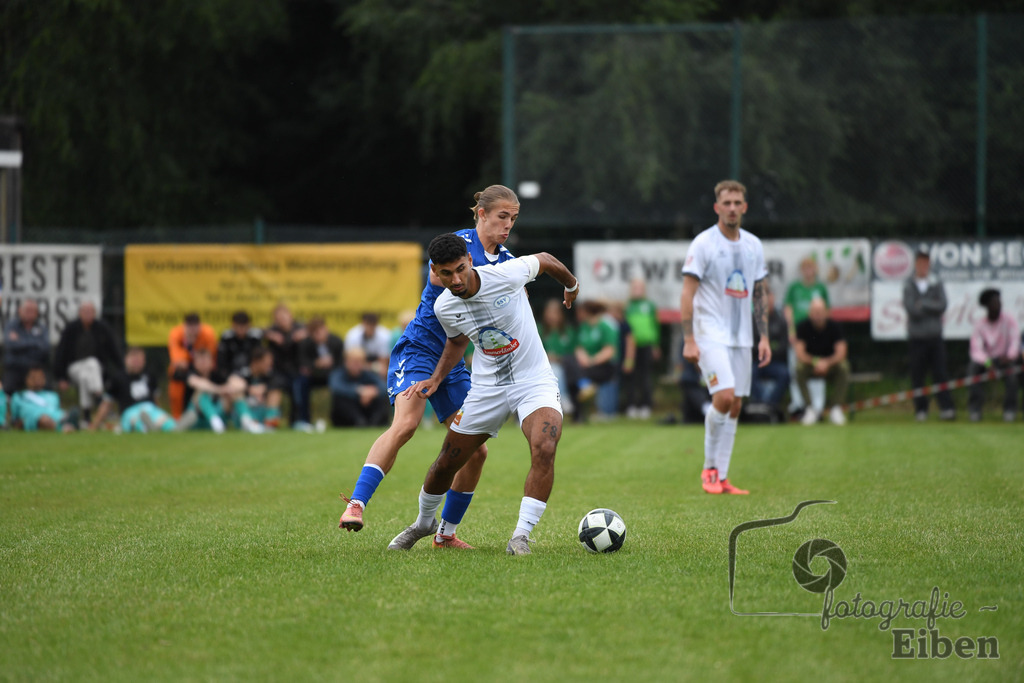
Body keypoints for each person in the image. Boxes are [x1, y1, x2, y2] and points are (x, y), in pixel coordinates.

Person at [339, 184, 518, 546]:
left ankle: (445, 535)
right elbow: (447, 282)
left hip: (452, 362)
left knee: (476, 451)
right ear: (481, 214)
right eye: (502, 216)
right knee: (406, 424)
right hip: (419, 352)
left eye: (513, 218)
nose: (508, 225)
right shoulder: (453, 249)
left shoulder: (508, 261)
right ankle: (356, 504)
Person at [392, 232, 579, 555]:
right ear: (434, 272)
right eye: (446, 273)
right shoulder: (444, 306)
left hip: (533, 380)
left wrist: (571, 286)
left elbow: (547, 259)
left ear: (469, 260)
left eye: (461, 268)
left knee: (545, 446)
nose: (456, 279)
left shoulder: (506, 274)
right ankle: (425, 523)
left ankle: (521, 536)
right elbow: (456, 342)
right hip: (486, 389)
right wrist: (437, 378)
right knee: (445, 463)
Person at [680, 179, 770, 495]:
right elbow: (687, 294)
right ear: (718, 207)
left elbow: (759, 293)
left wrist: (764, 338)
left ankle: (723, 476)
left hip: (742, 337)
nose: (732, 208)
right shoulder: (703, 244)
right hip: (709, 334)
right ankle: (708, 469)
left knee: (735, 406)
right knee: (724, 397)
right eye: (726, 203)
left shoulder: (753, 246)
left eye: (737, 203)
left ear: (744, 207)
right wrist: (689, 339)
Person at [903, 247, 956, 422]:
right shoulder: (908, 284)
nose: (923, 265)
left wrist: (922, 304)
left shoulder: (936, 283)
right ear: (916, 264)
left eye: (926, 262)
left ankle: (946, 408)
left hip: (935, 337)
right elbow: (912, 309)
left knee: (940, 373)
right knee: (917, 375)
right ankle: (921, 410)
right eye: (920, 262)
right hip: (917, 338)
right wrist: (929, 305)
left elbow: (942, 305)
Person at [54, 300, 123, 429]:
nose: (88, 314)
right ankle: (100, 398)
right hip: (74, 368)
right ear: (79, 313)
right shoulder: (71, 329)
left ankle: (86, 418)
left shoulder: (102, 328)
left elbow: (113, 350)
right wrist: (61, 377)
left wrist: (122, 370)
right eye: (85, 311)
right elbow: (60, 353)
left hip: (93, 372)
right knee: (92, 363)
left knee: (87, 374)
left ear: (95, 313)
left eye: (90, 311)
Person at [784, 256, 830, 415]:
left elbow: (826, 311)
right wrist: (791, 330)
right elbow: (788, 309)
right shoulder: (795, 288)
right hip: (798, 335)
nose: (808, 271)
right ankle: (798, 403)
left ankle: (818, 404)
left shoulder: (820, 288)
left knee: (818, 367)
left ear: (815, 269)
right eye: (805, 268)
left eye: (811, 267)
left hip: (815, 335)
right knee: (795, 369)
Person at [794, 298, 850, 426]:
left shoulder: (835, 327)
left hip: (830, 365)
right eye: (815, 311)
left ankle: (835, 408)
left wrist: (826, 363)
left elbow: (841, 352)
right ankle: (810, 409)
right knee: (798, 368)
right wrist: (816, 362)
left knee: (844, 367)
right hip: (810, 365)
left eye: (820, 311)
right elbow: (800, 353)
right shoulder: (802, 327)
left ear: (826, 312)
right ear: (810, 313)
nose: (817, 315)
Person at [968, 288, 1020, 422]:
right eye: (993, 303)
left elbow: (1015, 340)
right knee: (972, 371)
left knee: (1013, 375)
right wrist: (987, 362)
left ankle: (1010, 410)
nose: (997, 305)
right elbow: (976, 349)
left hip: (1005, 359)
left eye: (998, 302)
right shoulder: (980, 325)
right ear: (987, 307)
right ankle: (975, 410)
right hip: (987, 361)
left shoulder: (1009, 320)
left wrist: (1010, 356)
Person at [108, 346, 178, 433]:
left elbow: (156, 400)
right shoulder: (118, 378)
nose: (137, 363)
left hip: (150, 409)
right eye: (134, 359)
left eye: (139, 360)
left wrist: (158, 410)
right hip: (130, 411)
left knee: (167, 422)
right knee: (137, 421)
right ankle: (147, 428)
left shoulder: (149, 376)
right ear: (126, 359)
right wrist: (94, 426)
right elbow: (107, 403)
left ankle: (174, 428)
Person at [571, 300, 619, 421]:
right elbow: (579, 347)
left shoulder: (606, 325)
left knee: (577, 375)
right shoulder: (584, 326)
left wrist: (591, 361)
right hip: (586, 366)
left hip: (605, 365)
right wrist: (583, 358)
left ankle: (585, 385)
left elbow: (609, 350)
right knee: (571, 374)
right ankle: (578, 416)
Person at [294, 316, 343, 429]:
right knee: (301, 383)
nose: (319, 335)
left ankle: (336, 419)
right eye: (315, 333)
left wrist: (330, 364)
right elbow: (303, 362)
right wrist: (317, 363)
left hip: (331, 375)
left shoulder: (336, 341)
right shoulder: (305, 344)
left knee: (337, 384)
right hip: (314, 376)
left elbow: (341, 364)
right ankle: (304, 419)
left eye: (321, 331)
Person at [749, 286, 790, 419]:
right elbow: (750, 344)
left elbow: (784, 346)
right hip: (757, 361)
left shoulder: (781, 320)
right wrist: (763, 351)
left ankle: (769, 405)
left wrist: (769, 350)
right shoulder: (752, 320)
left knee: (785, 374)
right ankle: (760, 403)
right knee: (748, 373)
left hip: (775, 362)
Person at [167, 313, 218, 418]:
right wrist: (189, 344)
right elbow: (178, 362)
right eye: (190, 327)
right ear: (185, 326)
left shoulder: (208, 333)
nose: (193, 331)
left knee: (209, 379)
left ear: (200, 326)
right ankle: (177, 419)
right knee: (176, 385)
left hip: (203, 368)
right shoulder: (176, 333)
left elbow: (210, 357)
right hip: (186, 369)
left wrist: (201, 362)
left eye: (195, 327)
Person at [623, 278, 661, 420]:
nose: (637, 290)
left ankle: (646, 405)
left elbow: (655, 326)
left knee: (645, 376)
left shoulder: (650, 306)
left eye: (640, 288)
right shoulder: (627, 307)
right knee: (631, 376)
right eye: (635, 288)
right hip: (631, 347)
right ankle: (632, 405)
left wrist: (655, 344)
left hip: (646, 345)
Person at [263, 303, 307, 425]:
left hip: (296, 370)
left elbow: (311, 330)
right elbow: (258, 331)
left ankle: (298, 421)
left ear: (291, 316)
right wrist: (269, 335)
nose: (282, 321)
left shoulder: (300, 328)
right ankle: (271, 420)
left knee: (298, 387)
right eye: (279, 319)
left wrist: (304, 335)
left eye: (284, 317)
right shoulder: (272, 331)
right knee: (274, 386)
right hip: (279, 371)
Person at [329, 346, 390, 427]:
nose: (356, 365)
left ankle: (375, 422)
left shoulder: (368, 374)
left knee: (383, 398)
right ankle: (359, 421)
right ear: (346, 362)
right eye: (353, 362)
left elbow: (384, 386)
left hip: (367, 409)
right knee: (340, 399)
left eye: (359, 362)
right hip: (348, 415)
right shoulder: (338, 373)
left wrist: (373, 392)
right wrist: (358, 391)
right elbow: (336, 387)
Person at [3, 299, 51, 394]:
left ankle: (42, 407)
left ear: (37, 313)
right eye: (27, 310)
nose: (29, 314)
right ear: (20, 311)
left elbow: (45, 348)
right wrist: (35, 343)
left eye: (32, 311)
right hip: (16, 367)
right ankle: (11, 406)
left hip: (36, 367)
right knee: (8, 387)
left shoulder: (42, 327)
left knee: (48, 387)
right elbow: (10, 345)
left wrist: (20, 341)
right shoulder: (12, 326)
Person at [539, 298, 576, 415]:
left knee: (557, 370)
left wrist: (558, 358)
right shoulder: (539, 330)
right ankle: (563, 398)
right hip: (542, 367)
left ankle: (562, 399)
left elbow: (573, 352)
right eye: (549, 312)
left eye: (555, 312)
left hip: (565, 366)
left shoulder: (568, 331)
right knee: (554, 370)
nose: (552, 316)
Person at [10, 365, 76, 432]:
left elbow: (57, 411)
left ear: (44, 379)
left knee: (72, 412)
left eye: (40, 377)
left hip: (58, 418)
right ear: (27, 379)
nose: (37, 380)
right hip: (34, 421)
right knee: (44, 419)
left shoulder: (53, 395)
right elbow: (15, 420)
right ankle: (62, 428)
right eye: (34, 377)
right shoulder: (19, 396)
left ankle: (67, 424)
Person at [344, 312, 392, 378]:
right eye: (368, 325)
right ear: (363, 324)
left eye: (372, 325)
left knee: (383, 370)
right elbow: (350, 360)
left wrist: (372, 367)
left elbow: (384, 361)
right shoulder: (352, 335)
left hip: (376, 364)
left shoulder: (384, 335)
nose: (370, 328)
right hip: (357, 364)